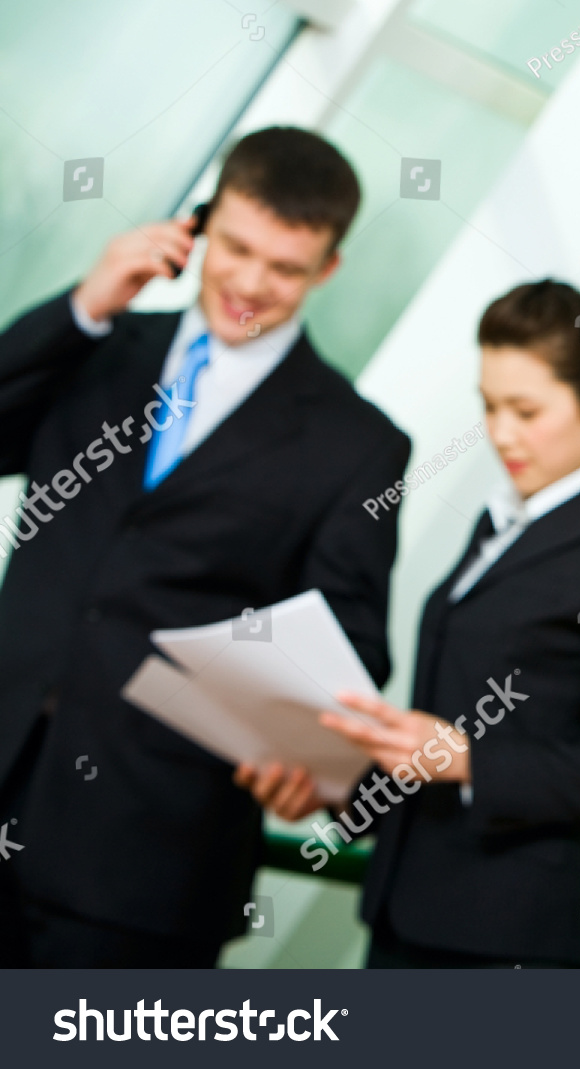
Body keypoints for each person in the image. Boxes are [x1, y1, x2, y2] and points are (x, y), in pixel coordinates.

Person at [0, 127, 410, 967]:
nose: (252, 285)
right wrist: (86, 303)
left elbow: (349, 639)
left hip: (145, 863)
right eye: (237, 247)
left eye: (287, 267)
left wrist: (310, 753)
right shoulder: (98, 347)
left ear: (328, 269)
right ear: (198, 226)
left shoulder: (358, 445)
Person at [242, 279, 580, 968]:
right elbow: (443, 736)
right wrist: (338, 781)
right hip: (409, 912)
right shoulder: (503, 520)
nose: (501, 433)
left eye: (526, 409)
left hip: (504, 939)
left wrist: (467, 757)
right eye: (489, 406)